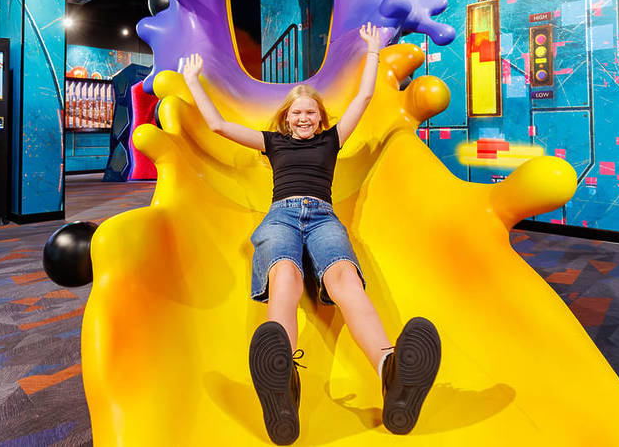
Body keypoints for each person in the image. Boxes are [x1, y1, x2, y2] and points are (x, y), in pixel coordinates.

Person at [181, 23, 441, 445]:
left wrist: (374, 51)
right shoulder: (272, 143)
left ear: (321, 117)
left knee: (344, 279)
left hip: (323, 218)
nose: (304, 117)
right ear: (286, 117)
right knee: (286, 276)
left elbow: (364, 97)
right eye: (296, 112)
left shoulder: (333, 139)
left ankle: (391, 373)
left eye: (310, 112)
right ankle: (283, 383)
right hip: (281, 217)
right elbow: (218, 126)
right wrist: (193, 81)